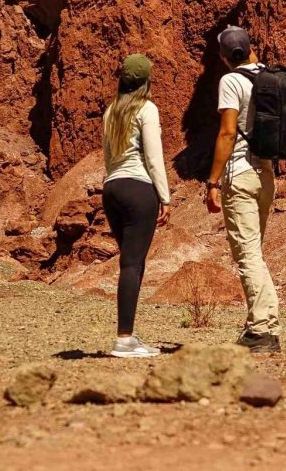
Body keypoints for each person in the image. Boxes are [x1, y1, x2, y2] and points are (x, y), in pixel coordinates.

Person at [204, 25, 280, 354]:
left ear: (222, 58)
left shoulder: (230, 81)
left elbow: (227, 133)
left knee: (248, 257)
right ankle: (264, 326)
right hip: (266, 175)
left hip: (240, 174)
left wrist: (213, 181)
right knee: (255, 255)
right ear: (251, 49)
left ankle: (262, 331)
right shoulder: (268, 76)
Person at [101, 53, 170, 358]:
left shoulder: (111, 111)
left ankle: (128, 336)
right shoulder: (147, 109)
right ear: (146, 80)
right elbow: (154, 159)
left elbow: (107, 157)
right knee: (133, 264)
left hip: (112, 188)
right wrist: (165, 197)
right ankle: (124, 339)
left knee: (128, 262)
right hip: (138, 189)